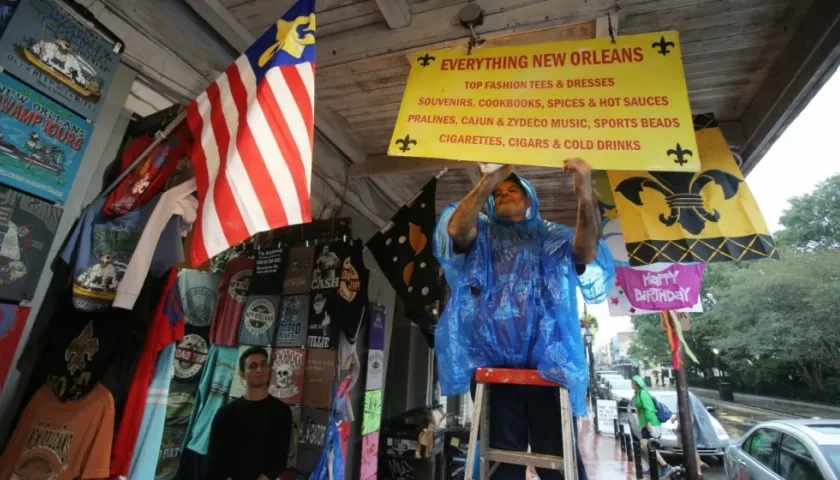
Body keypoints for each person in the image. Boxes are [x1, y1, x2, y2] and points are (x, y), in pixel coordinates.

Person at [435, 160, 614, 480]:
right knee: (501, 466)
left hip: (548, 367)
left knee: (559, 460)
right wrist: (490, 180)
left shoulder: (553, 237)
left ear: (530, 199)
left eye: (512, 190)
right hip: (495, 368)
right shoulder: (482, 235)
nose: (503, 194)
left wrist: (585, 192)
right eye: (498, 192)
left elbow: (586, 251)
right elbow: (456, 230)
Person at [207, 346, 292, 480]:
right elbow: (215, 456)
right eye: (253, 366)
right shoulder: (226, 413)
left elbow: (279, 458)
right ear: (242, 374)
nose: (259, 369)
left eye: (263, 364)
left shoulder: (281, 411)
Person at [630, 375, 673, 478]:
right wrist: (638, 411)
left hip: (650, 422)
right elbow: (642, 407)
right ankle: (653, 466)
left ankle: (665, 466)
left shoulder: (643, 393)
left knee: (647, 444)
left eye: (632, 383)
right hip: (644, 422)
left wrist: (649, 422)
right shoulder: (638, 393)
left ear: (637, 384)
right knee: (645, 444)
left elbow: (649, 408)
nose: (631, 385)